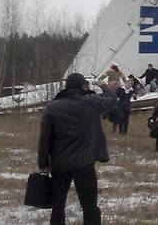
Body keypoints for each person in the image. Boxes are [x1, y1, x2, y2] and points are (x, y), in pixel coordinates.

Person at [38, 73, 117, 225]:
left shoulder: (52, 107)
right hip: (85, 162)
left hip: (60, 163)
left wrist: (43, 163)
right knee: (89, 206)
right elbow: (112, 101)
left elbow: (44, 138)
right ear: (83, 86)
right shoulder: (91, 102)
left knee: (58, 205)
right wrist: (104, 86)